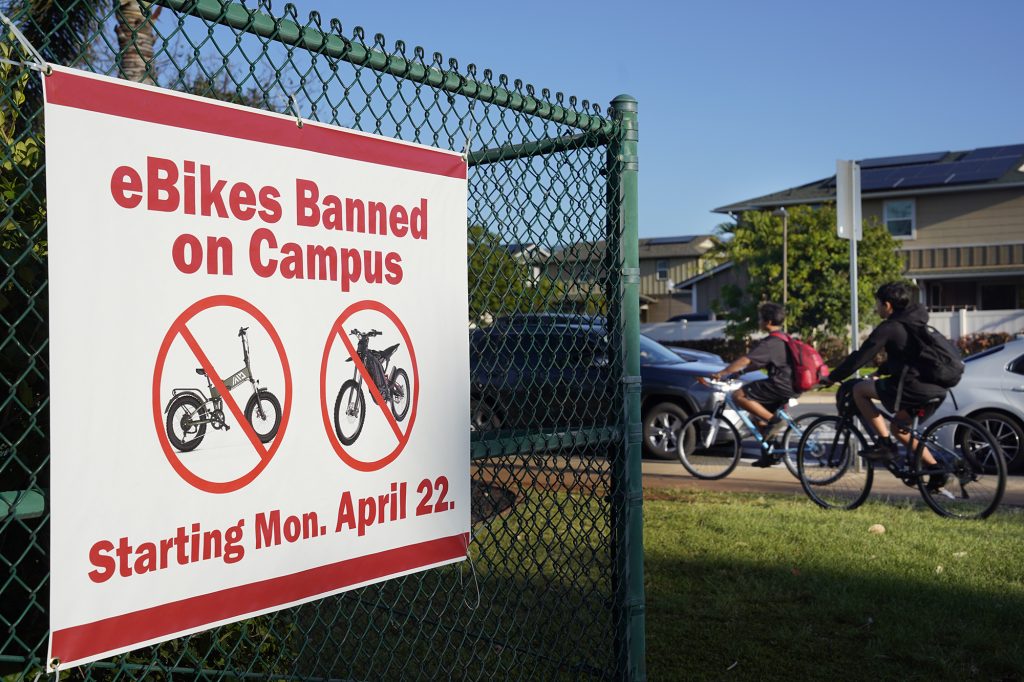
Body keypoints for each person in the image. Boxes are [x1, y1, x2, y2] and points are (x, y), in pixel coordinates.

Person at [823, 281, 948, 488]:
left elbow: (862, 356)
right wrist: (880, 372)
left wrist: (833, 377)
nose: (876, 308)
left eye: (878, 304)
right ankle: (936, 470)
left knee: (859, 389)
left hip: (912, 387)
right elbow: (908, 357)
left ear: (887, 305)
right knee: (899, 429)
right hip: (935, 388)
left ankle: (885, 444)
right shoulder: (915, 323)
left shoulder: (890, 327)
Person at [710, 302, 797, 467]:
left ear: (768, 322)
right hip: (790, 385)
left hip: (780, 384)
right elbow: (758, 363)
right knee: (756, 415)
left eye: (760, 319)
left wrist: (723, 372)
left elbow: (746, 359)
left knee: (738, 396)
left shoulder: (770, 342)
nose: (759, 322)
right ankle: (769, 454)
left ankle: (775, 421)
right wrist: (739, 373)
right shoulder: (784, 339)